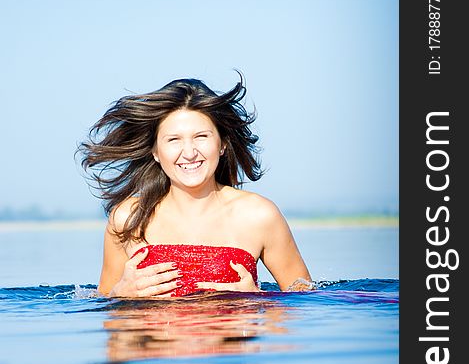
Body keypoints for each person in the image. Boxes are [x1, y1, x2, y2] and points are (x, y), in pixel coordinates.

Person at [79, 73, 312, 297]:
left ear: (222, 144)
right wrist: (120, 295)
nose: (189, 153)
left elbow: (306, 299)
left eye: (201, 136)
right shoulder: (127, 219)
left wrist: (259, 298)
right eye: (173, 140)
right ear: (155, 152)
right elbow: (106, 310)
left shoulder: (260, 215)